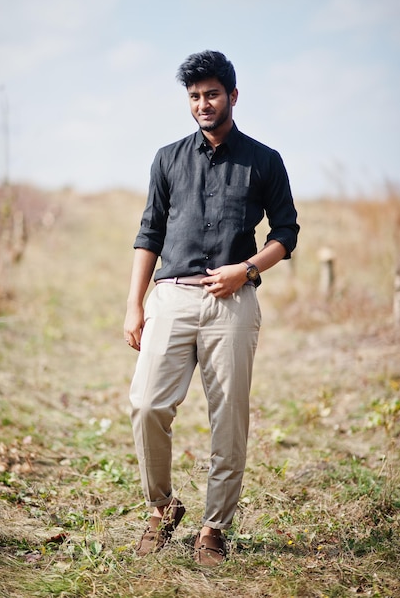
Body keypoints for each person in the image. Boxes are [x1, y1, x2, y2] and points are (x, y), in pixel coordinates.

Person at [123, 50, 299, 566]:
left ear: (233, 97)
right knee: (148, 403)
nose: (203, 103)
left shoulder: (264, 160)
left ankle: (214, 527)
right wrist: (135, 304)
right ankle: (162, 507)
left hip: (233, 300)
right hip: (171, 295)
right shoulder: (167, 158)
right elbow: (148, 232)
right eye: (195, 96)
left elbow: (286, 233)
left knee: (229, 418)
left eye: (212, 94)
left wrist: (246, 269)